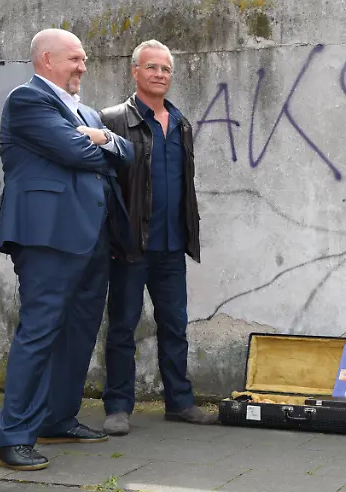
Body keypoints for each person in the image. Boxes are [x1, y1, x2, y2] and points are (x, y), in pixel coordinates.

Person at [0, 28, 134, 471]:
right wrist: (98, 144)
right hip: (48, 236)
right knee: (39, 332)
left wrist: (103, 139)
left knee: (80, 331)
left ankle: (57, 417)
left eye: (84, 59)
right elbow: (76, 154)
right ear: (47, 60)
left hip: (93, 237)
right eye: (75, 59)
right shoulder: (27, 100)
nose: (83, 67)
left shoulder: (86, 110)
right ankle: (10, 439)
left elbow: (126, 154)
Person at [98, 39, 215, 436]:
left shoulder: (181, 122)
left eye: (165, 69)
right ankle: (117, 407)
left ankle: (179, 403)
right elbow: (104, 184)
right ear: (135, 71)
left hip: (170, 246)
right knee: (122, 327)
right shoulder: (113, 119)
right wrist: (113, 236)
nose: (160, 75)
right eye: (152, 68)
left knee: (175, 326)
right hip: (130, 247)